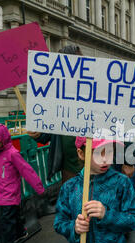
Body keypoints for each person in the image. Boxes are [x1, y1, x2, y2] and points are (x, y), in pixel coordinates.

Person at [54, 137, 135, 243]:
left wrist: (107, 215)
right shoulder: (70, 187)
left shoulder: (121, 183)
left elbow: (133, 219)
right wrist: (74, 227)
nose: (105, 159)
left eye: (109, 152)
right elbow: (59, 222)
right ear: (81, 153)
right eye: (97, 153)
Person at [27, 45, 85, 184]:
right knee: (72, 202)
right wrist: (38, 134)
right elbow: (47, 134)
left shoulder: (97, 94)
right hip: (69, 169)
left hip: (97, 165)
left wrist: (126, 162)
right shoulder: (56, 96)